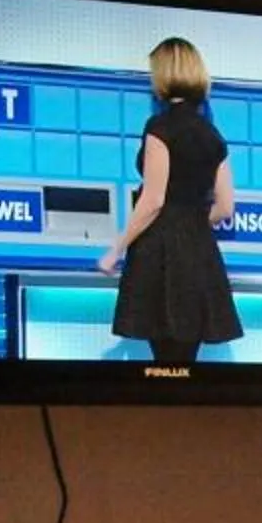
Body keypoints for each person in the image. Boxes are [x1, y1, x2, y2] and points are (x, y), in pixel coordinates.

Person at [101, 37, 242, 367]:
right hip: (199, 254)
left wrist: (116, 249)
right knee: (182, 365)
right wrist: (192, 221)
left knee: (164, 365)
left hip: (160, 256)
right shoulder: (212, 135)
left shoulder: (160, 127)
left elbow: (153, 200)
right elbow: (225, 208)